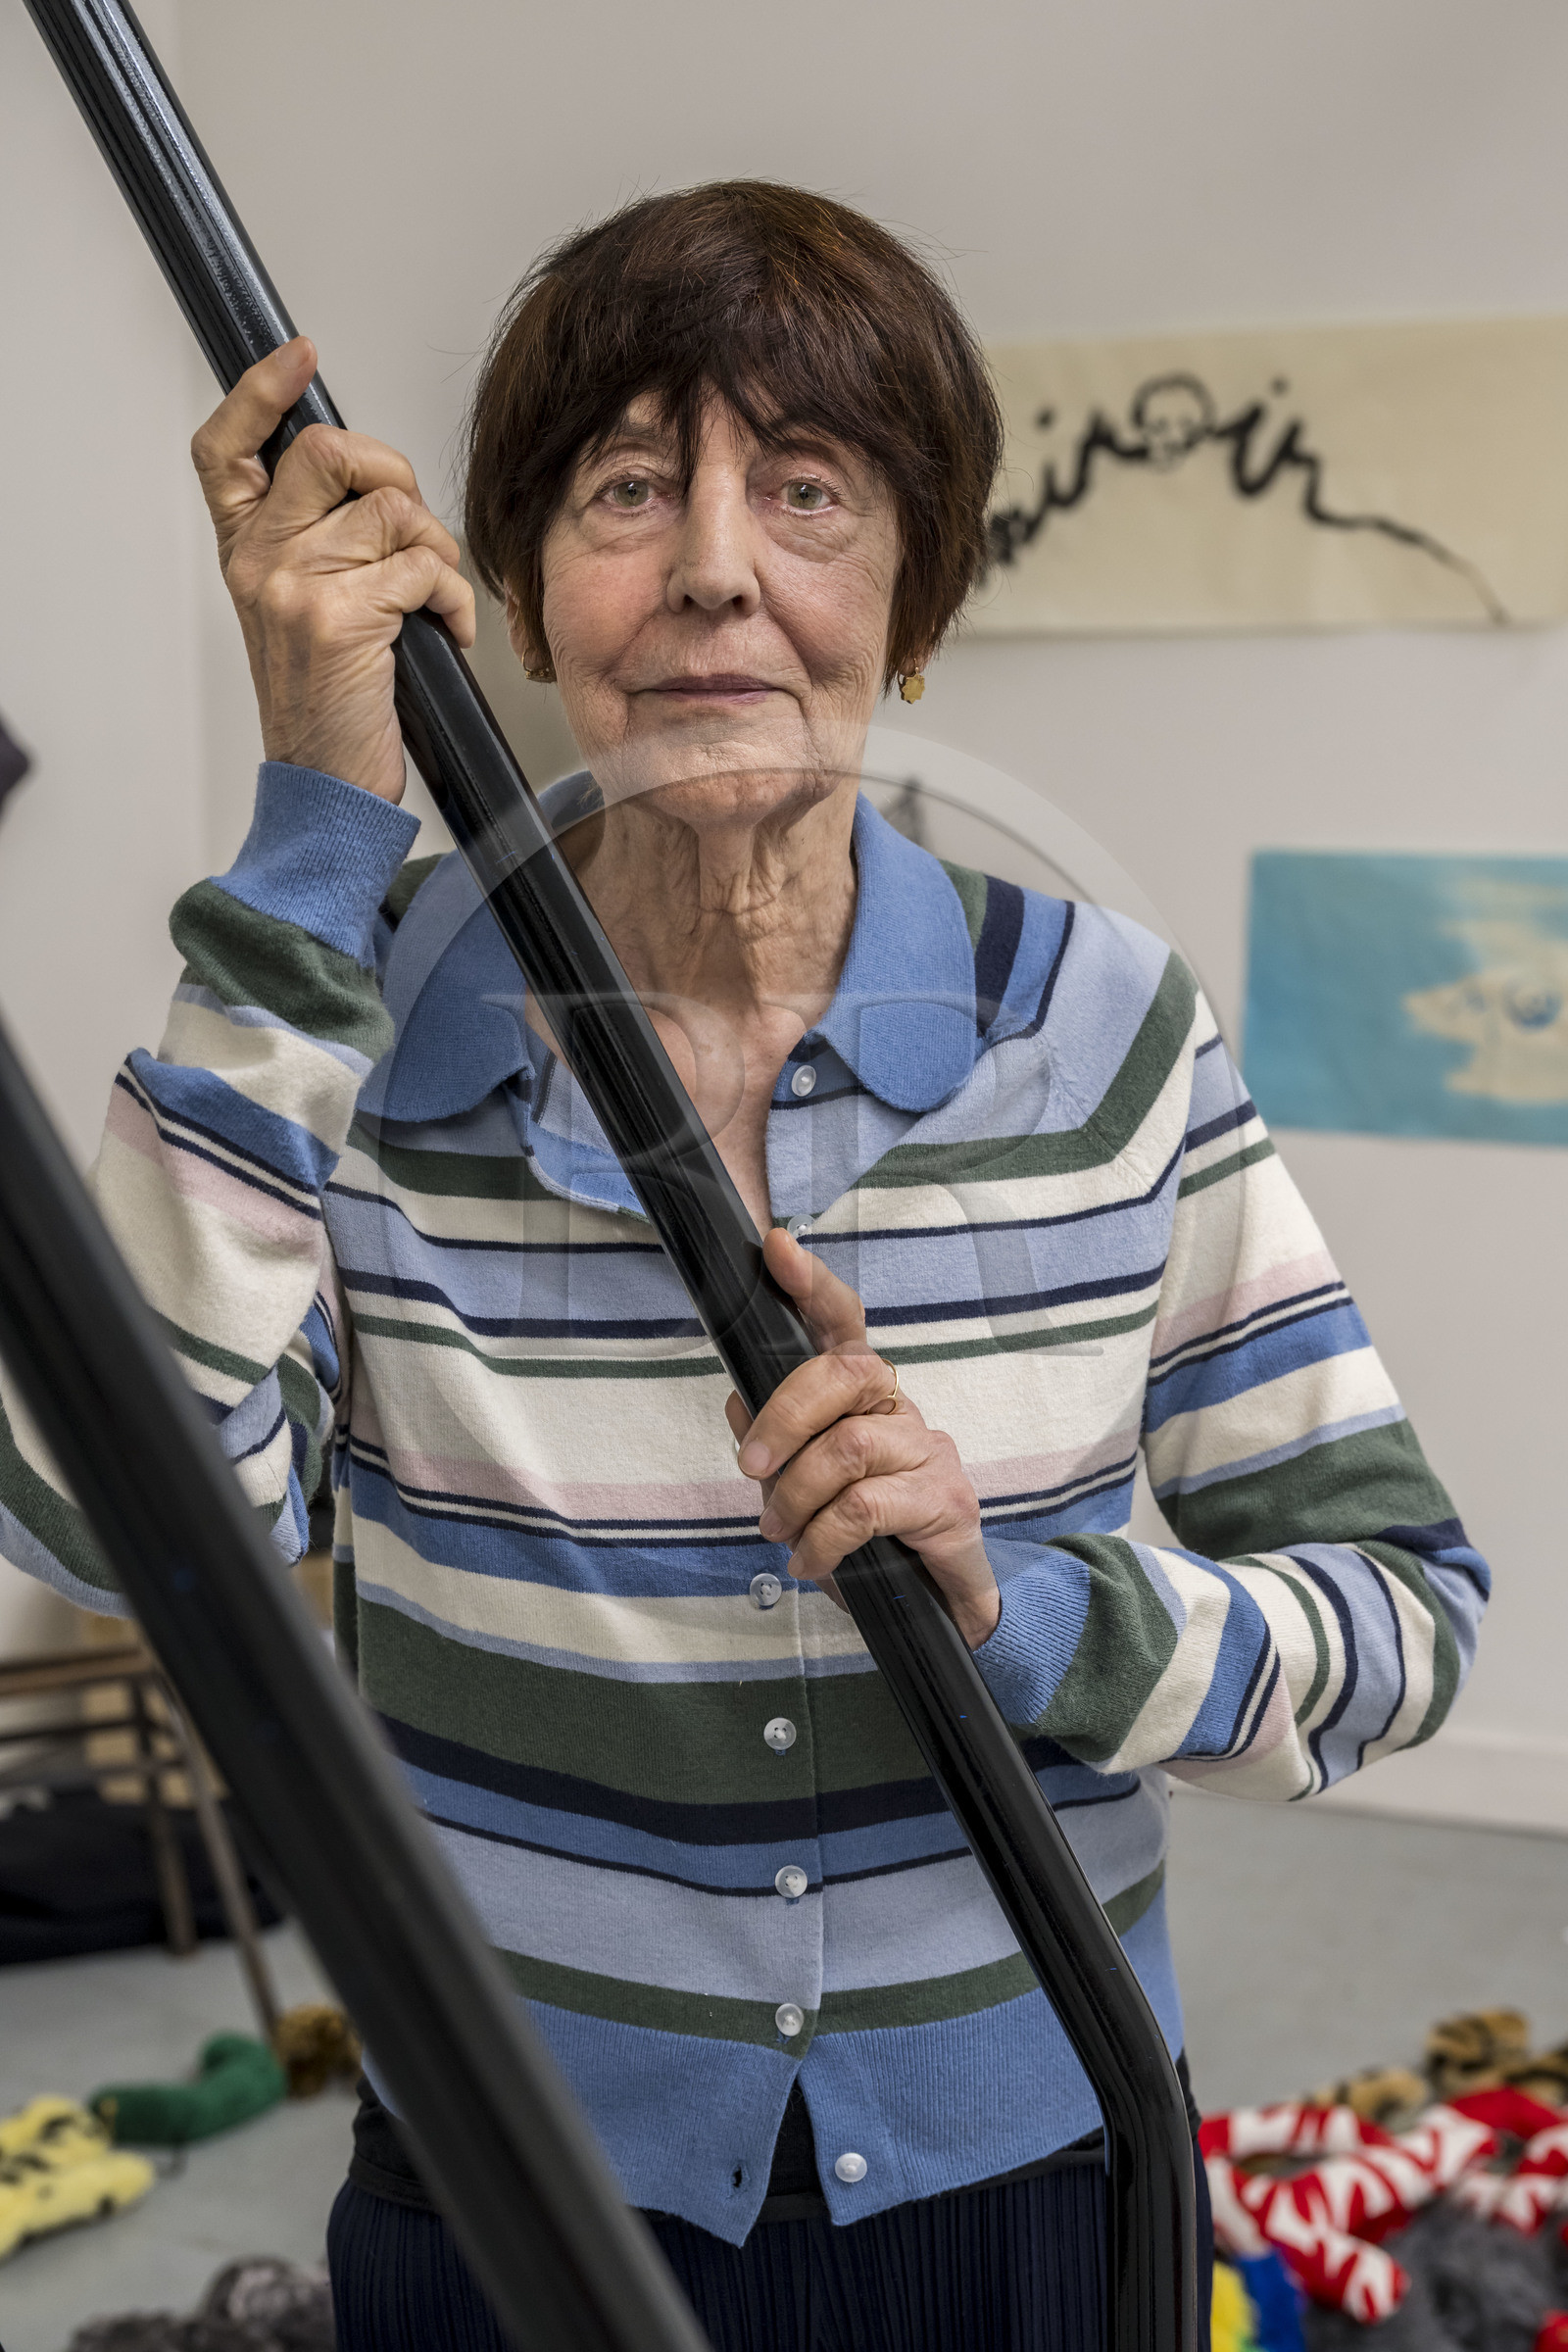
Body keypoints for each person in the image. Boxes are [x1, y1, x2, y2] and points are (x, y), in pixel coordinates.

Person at [0, 182, 1488, 2352]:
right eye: (625, 486)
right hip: (493, 2191)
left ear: (913, 594)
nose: (710, 561)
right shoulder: (354, 1030)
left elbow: (1403, 1626)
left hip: (1035, 2187)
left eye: (803, 488)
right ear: (513, 596)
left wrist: (1032, 1610)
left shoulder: (1097, 1032)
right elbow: (97, 1529)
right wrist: (319, 826)